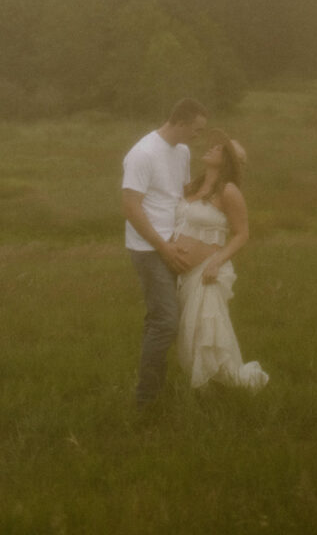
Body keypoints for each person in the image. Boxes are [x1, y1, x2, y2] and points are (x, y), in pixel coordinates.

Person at [122, 97, 208, 410]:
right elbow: (131, 207)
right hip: (149, 248)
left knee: (161, 318)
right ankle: (145, 398)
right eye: (196, 130)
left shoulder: (182, 151)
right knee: (166, 322)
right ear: (181, 122)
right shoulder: (142, 153)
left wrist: (222, 174)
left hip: (174, 242)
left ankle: (157, 386)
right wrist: (164, 248)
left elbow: (181, 195)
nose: (199, 136)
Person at [171, 129, 268, 392]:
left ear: (228, 161)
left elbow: (242, 233)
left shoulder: (229, 191)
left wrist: (216, 262)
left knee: (206, 332)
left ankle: (218, 387)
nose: (212, 148)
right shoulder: (193, 185)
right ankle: (204, 386)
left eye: (220, 148)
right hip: (181, 272)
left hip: (207, 271)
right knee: (188, 331)